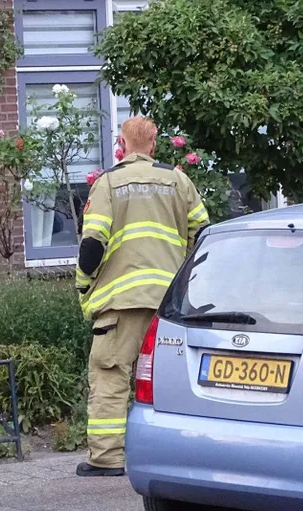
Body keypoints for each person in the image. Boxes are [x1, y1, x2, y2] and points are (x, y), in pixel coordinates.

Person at [75, 117, 210, 477]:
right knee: (171, 379)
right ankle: (179, 458)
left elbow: (92, 245)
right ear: (153, 145)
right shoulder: (178, 180)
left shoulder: (108, 183)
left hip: (121, 302)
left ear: (121, 145)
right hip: (170, 304)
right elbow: (203, 234)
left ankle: (107, 458)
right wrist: (187, 280)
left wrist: (84, 285)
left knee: (110, 374)